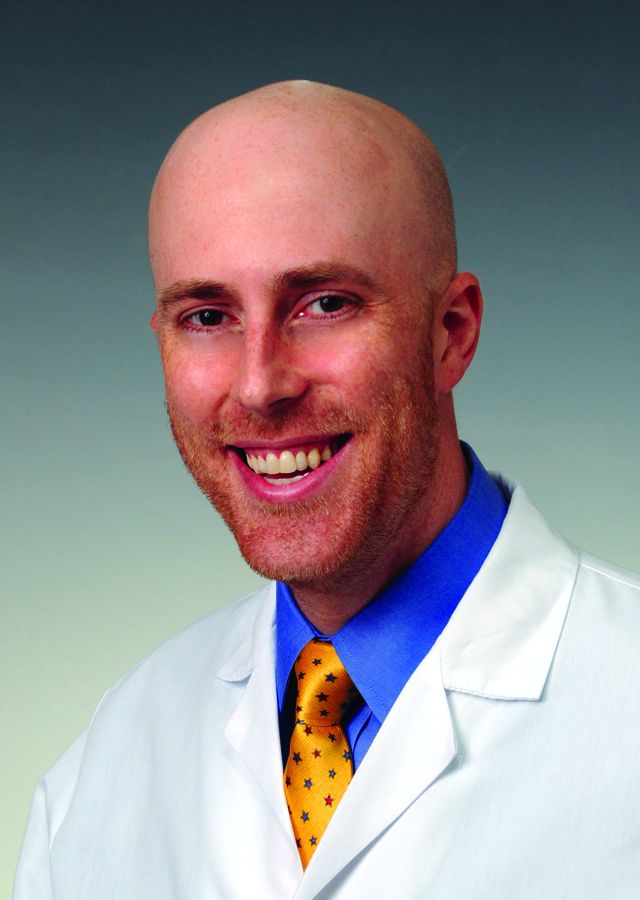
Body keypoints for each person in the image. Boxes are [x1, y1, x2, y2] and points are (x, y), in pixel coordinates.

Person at [14, 81, 640, 899]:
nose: (259, 384)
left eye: (324, 304)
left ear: (451, 334)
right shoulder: (102, 776)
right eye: (208, 316)